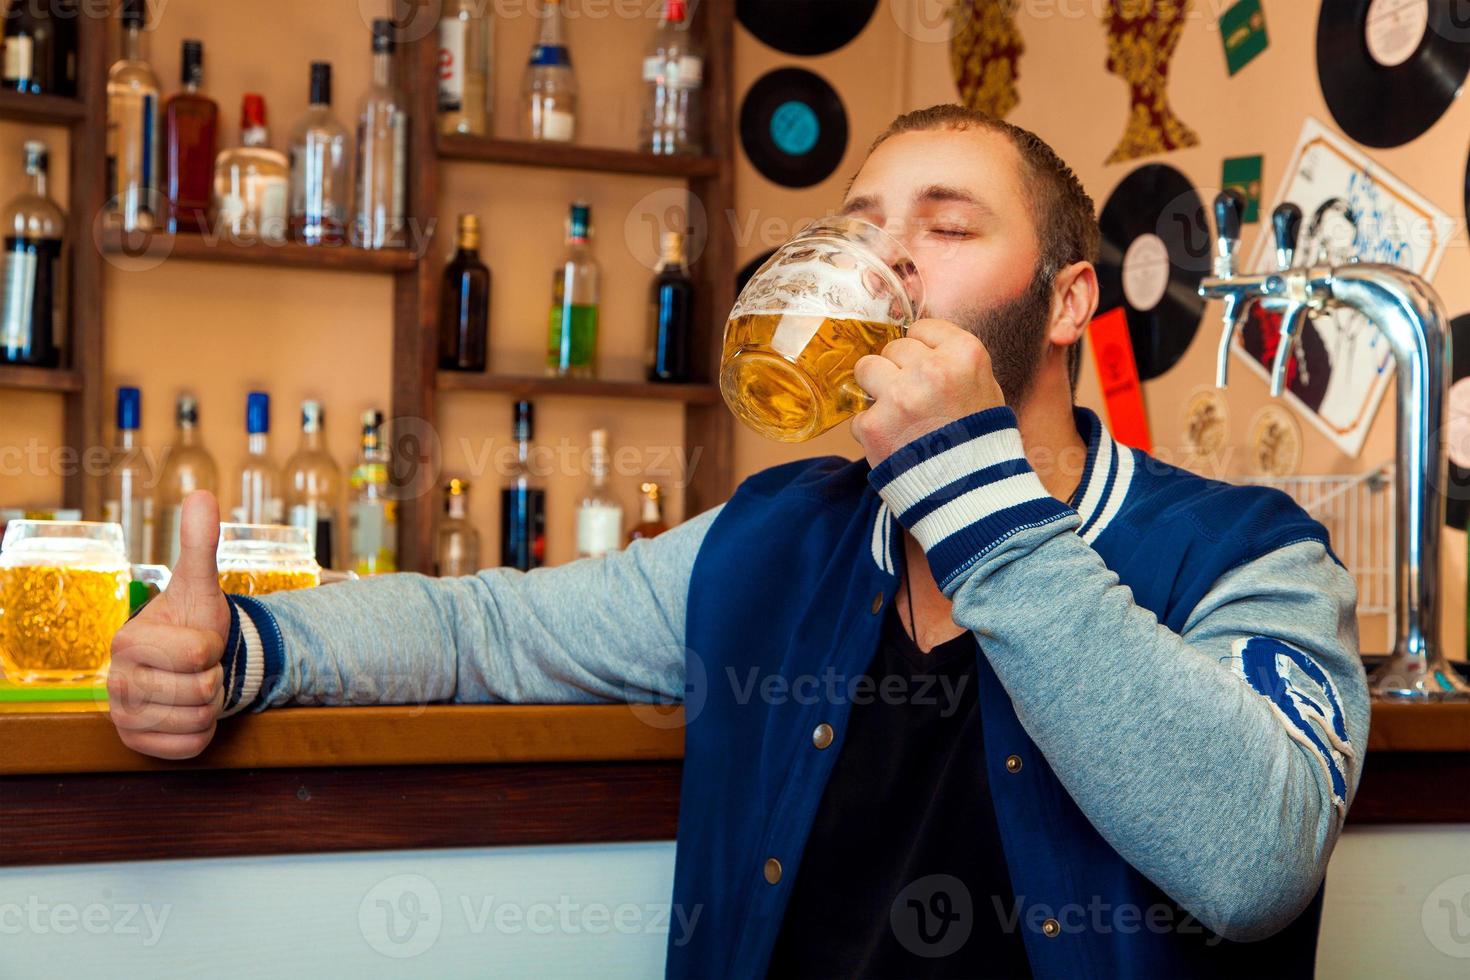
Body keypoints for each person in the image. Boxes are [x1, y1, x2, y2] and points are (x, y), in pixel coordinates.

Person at [107, 104, 1367, 978]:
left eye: (946, 224)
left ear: (1068, 301)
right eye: (866, 221)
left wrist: (977, 494)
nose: (885, 256)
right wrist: (251, 645)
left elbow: (1254, 859)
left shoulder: (1250, 553)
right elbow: (489, 625)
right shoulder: (779, 533)